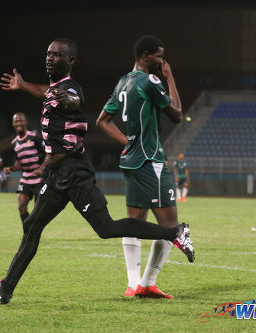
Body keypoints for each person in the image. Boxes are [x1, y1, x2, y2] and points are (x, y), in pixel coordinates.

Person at [0, 37, 194, 305]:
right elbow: (47, 90)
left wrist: (64, 98)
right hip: (57, 176)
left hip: (75, 173)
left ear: (70, 61)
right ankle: (6, 288)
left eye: (56, 55)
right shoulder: (54, 87)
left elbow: (72, 100)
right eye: (48, 54)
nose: (49, 58)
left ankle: (174, 233)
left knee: (106, 228)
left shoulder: (70, 88)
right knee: (32, 226)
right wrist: (23, 85)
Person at [96, 35, 186, 298]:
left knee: (134, 222)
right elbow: (177, 115)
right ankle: (147, 282)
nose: (162, 61)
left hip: (131, 161)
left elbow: (102, 120)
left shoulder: (124, 81)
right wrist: (169, 77)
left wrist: (127, 142)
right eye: (159, 56)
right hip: (150, 160)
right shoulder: (150, 81)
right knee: (170, 226)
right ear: (146, 56)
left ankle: (133, 283)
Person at [3, 112, 45, 223]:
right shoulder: (14, 143)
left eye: (21, 120)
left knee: (38, 211)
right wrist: (10, 169)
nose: (19, 123)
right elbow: (19, 164)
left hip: (39, 179)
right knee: (21, 206)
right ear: (13, 124)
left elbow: (48, 155)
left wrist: (41, 169)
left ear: (26, 122)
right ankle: (27, 231)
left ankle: (33, 231)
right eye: (16, 121)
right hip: (26, 179)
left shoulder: (34, 137)